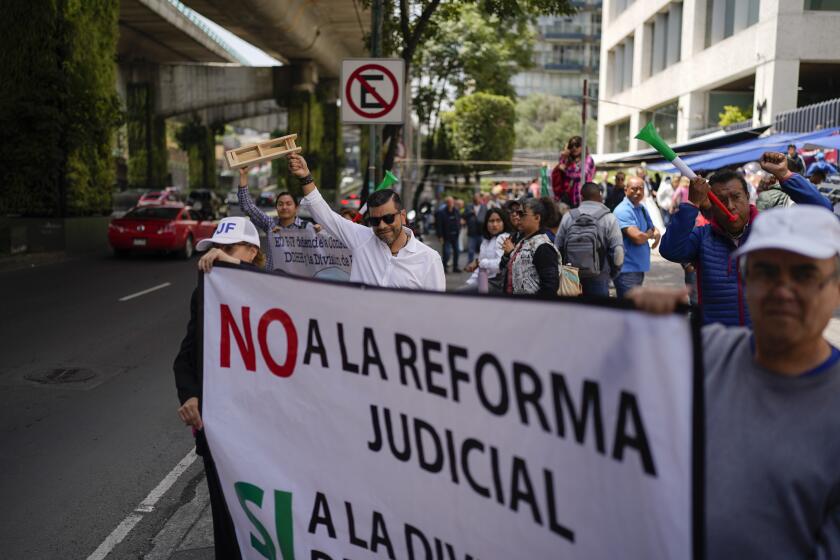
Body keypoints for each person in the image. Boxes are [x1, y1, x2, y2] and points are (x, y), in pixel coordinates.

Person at [627, 204, 840, 558]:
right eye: (766, 273)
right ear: (745, 280)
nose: (782, 290)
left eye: (804, 275)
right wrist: (627, 329)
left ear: (836, 289)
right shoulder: (704, 355)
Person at [173, 217, 268, 560]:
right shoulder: (206, 291)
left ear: (252, 251)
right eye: (215, 248)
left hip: (262, 430)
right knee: (225, 521)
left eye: (228, 249)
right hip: (217, 429)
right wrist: (190, 395)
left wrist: (237, 269)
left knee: (263, 514)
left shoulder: (268, 288)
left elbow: (286, 291)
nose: (215, 256)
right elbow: (185, 357)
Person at [660, 152, 832, 326]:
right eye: (721, 200)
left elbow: (823, 212)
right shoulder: (702, 237)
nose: (730, 206)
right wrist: (692, 205)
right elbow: (669, 250)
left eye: (736, 197)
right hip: (718, 344)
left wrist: (784, 175)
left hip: (766, 343)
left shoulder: (773, 230)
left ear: (748, 197)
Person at [292, 154, 445, 291]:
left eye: (388, 218)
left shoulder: (429, 259)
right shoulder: (361, 239)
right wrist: (306, 177)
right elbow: (325, 215)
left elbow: (436, 311)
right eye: (375, 220)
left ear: (402, 216)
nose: (382, 225)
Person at [237, 167, 315, 271]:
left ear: (296, 208)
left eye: (288, 204)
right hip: (272, 281)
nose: (284, 207)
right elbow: (247, 207)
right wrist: (243, 175)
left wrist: (320, 231)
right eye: (280, 204)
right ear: (276, 208)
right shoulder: (270, 224)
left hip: (296, 282)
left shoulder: (307, 228)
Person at [556, 182, 624, 297]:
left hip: (571, 276)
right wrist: (613, 272)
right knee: (597, 313)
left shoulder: (568, 216)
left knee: (572, 313)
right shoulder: (609, 218)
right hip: (599, 275)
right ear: (600, 196)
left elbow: (557, 247)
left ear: (581, 197)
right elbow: (618, 251)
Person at [613, 176, 660, 298]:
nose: (638, 192)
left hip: (638, 268)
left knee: (632, 310)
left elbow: (654, 229)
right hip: (626, 270)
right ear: (626, 190)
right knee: (628, 311)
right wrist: (649, 234)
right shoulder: (623, 210)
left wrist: (655, 234)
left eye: (641, 189)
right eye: (634, 189)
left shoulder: (641, 208)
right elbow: (638, 238)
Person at [505, 198, 559, 296]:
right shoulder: (523, 241)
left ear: (537, 218)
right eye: (517, 213)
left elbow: (550, 287)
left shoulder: (543, 246)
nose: (517, 216)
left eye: (522, 214)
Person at [462, 208, 512, 290]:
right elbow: (480, 267)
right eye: (491, 221)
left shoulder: (503, 238)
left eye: (498, 221)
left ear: (504, 222)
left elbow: (499, 265)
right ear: (486, 223)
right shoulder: (486, 240)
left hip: (496, 283)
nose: (495, 224)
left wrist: (480, 262)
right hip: (483, 279)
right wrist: (470, 282)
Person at [551, 135, 596, 208]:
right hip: (567, 199)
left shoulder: (588, 159)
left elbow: (581, 175)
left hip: (583, 198)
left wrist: (566, 170)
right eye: (571, 146)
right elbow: (560, 170)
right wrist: (564, 156)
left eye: (577, 145)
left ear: (583, 146)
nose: (574, 148)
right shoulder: (568, 160)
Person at [435, 196, 462, 273]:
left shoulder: (456, 211)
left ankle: (455, 267)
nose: (451, 204)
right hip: (446, 236)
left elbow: (458, 220)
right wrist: (440, 236)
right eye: (449, 202)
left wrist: (458, 229)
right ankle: (444, 266)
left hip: (455, 235)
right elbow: (439, 225)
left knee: (457, 251)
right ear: (446, 203)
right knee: (447, 253)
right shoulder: (442, 212)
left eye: (452, 202)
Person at [465, 193, 486, 265]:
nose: (476, 200)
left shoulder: (484, 207)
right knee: (471, 250)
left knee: (482, 249)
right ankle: (470, 263)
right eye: (475, 198)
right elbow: (465, 215)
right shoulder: (469, 206)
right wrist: (471, 212)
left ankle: (481, 263)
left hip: (481, 232)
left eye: (477, 198)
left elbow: (485, 217)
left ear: (480, 199)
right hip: (472, 231)